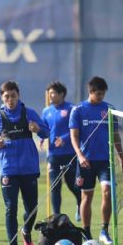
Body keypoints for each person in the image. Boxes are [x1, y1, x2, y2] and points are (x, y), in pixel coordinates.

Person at [0, 81, 49, 245]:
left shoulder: (29, 114)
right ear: (2, 97)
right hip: (8, 169)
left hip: (28, 168)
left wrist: (38, 129)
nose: (10, 99)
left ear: (18, 95)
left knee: (32, 208)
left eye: (13, 95)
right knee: (10, 208)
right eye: (7, 96)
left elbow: (46, 131)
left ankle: (26, 230)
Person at [69, 76, 123, 245]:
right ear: (91, 92)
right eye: (98, 94)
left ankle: (104, 230)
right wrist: (80, 155)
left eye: (103, 94)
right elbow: (74, 137)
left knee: (107, 192)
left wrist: (121, 158)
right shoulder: (78, 110)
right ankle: (86, 232)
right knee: (86, 197)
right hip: (86, 161)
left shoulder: (109, 109)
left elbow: (116, 135)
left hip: (105, 160)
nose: (101, 97)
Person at [41, 81, 82, 221]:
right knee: (54, 186)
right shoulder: (46, 111)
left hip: (70, 154)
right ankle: (56, 217)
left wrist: (64, 138)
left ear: (61, 94)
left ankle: (79, 203)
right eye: (49, 93)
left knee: (72, 185)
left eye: (53, 93)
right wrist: (42, 138)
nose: (50, 96)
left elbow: (78, 130)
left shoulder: (71, 109)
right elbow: (44, 129)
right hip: (53, 155)